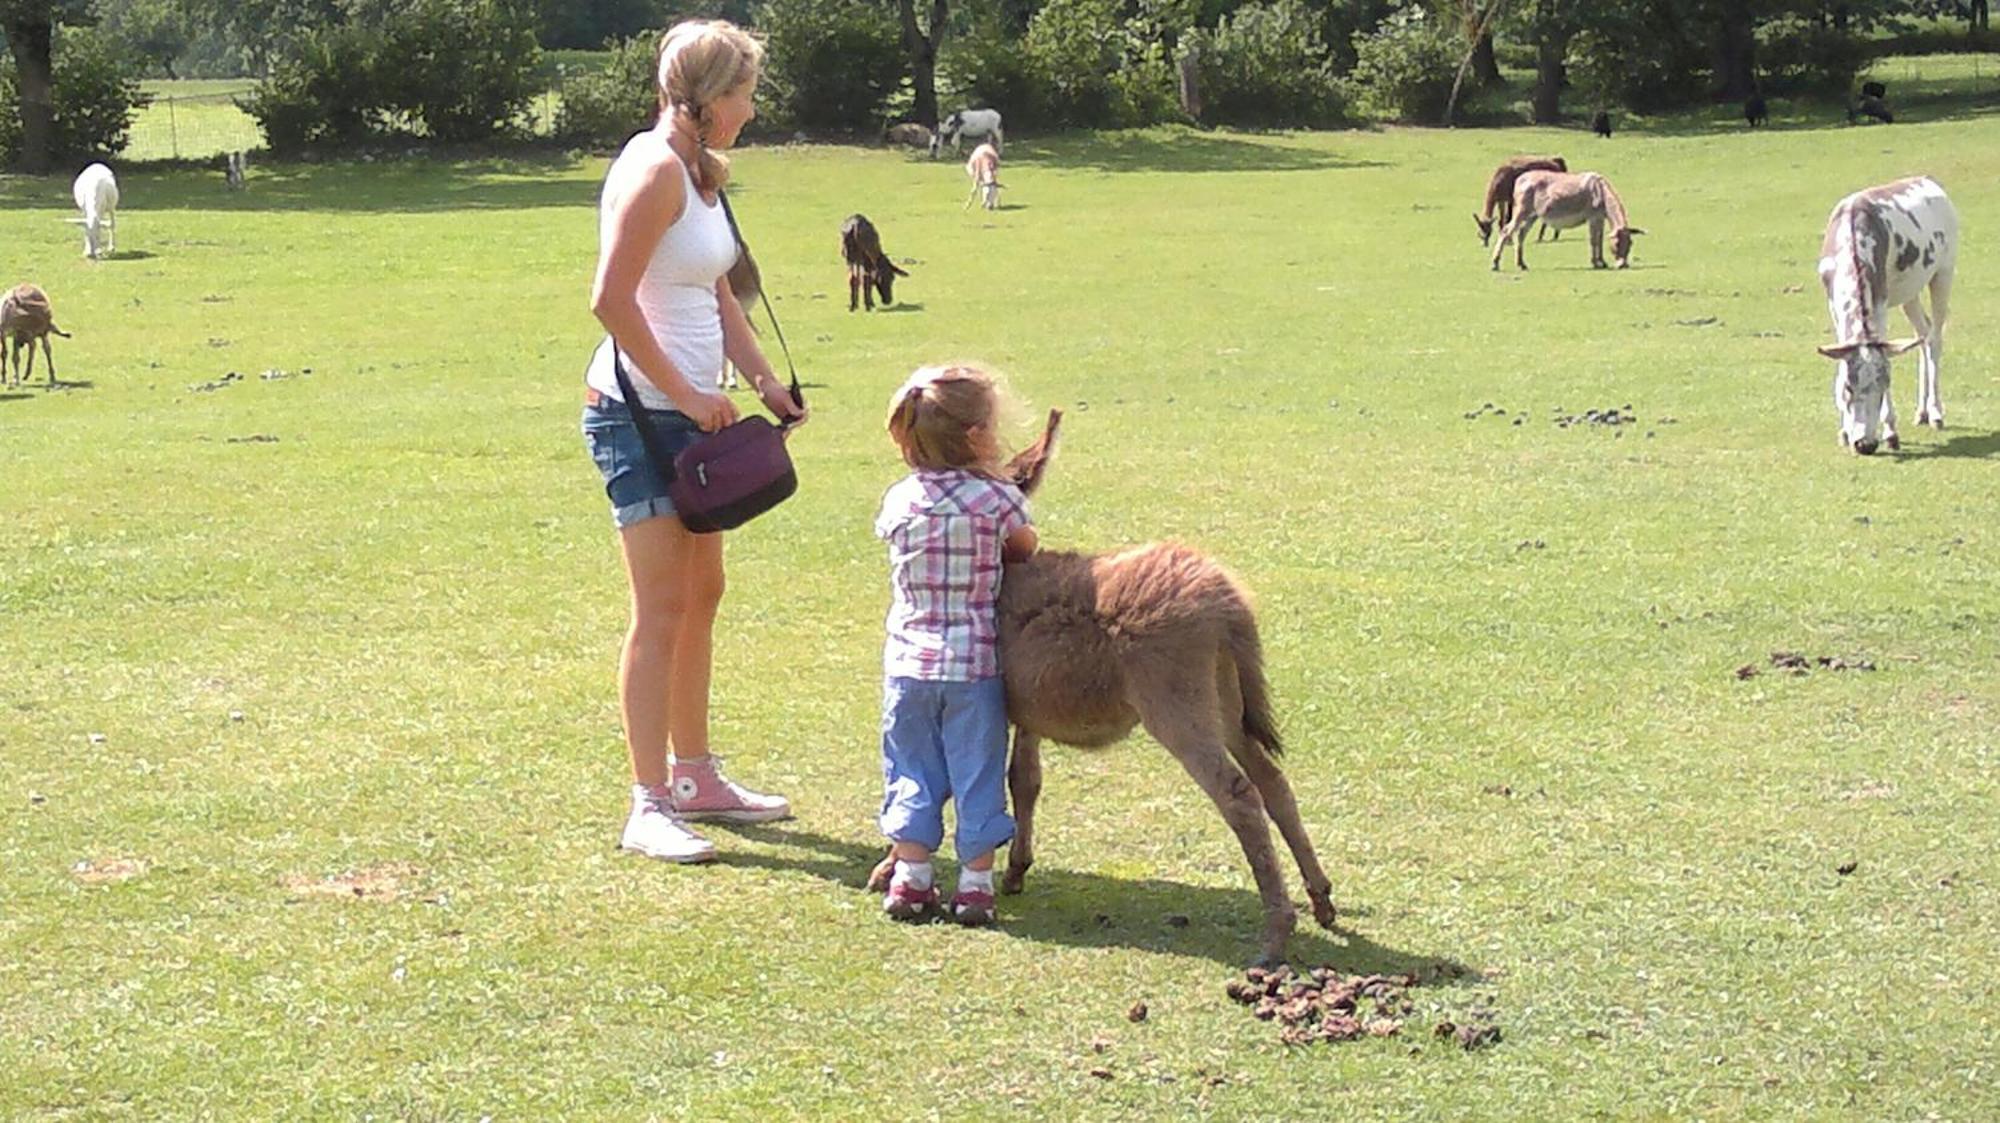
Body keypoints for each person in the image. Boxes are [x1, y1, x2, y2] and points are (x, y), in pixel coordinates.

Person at [582, 20, 805, 864]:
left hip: (693, 415)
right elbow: (608, 298)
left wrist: (760, 383)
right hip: (637, 417)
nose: (752, 107)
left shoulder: (700, 172)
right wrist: (686, 394)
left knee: (702, 593)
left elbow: (716, 291)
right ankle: (646, 804)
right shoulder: (652, 172)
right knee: (662, 606)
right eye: (744, 92)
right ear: (707, 99)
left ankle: (696, 776)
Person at [873, 366, 1039, 924]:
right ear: (976, 437)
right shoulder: (997, 499)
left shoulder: (900, 499)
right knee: (977, 772)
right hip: (974, 665)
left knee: (912, 768)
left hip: (907, 665)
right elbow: (1025, 548)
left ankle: (913, 879)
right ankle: (974, 886)